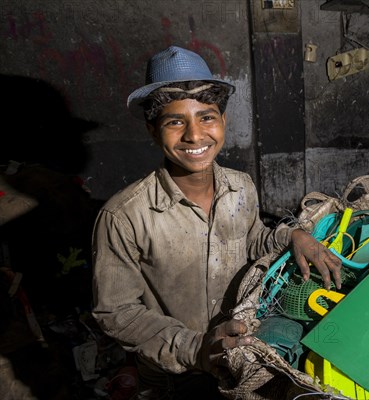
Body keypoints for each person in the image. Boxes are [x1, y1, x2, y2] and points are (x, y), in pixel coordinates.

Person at [91, 45, 342, 399]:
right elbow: (117, 312)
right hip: (175, 377)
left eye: (206, 117)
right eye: (175, 121)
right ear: (152, 130)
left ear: (223, 121)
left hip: (243, 352)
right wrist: (196, 348)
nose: (195, 135)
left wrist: (292, 236)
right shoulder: (124, 215)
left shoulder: (241, 187)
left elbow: (252, 238)